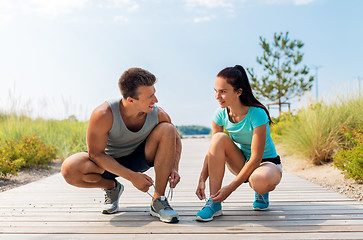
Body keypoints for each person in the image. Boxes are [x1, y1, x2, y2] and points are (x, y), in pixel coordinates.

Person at [61, 67, 182, 223]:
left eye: (154, 93)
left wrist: (174, 167)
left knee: (168, 129)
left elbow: (175, 138)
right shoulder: (103, 114)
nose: (156, 100)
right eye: (150, 96)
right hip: (108, 161)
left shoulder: (158, 114)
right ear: (131, 100)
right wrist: (132, 177)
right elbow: (95, 154)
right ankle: (112, 187)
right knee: (69, 169)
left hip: (140, 158)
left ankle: (158, 200)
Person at [195, 65, 282, 222]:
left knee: (259, 181)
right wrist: (202, 178)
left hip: (266, 163)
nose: (217, 96)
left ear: (238, 91)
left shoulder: (257, 114)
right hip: (242, 162)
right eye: (215, 90)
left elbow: (256, 158)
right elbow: (212, 150)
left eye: (223, 91)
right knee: (218, 138)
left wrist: (230, 188)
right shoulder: (220, 114)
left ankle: (262, 192)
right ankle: (214, 203)